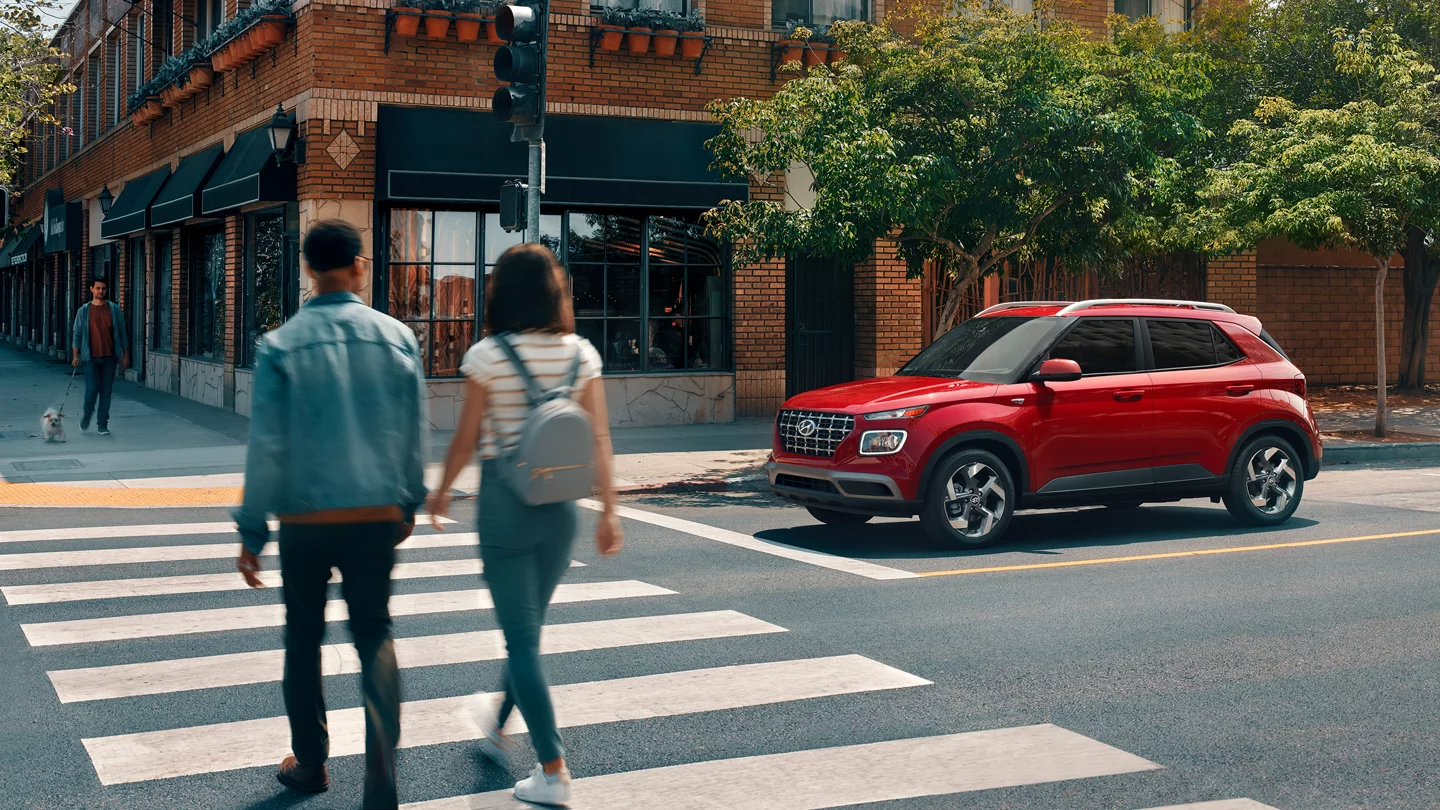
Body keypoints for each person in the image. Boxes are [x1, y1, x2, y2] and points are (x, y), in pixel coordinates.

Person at [232, 219, 427, 810]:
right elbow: (412, 431)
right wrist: (409, 501)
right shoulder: (397, 338)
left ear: (308, 270)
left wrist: (252, 530)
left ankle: (311, 764)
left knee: (302, 639)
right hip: (375, 512)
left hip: (305, 520)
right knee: (375, 634)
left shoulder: (281, 345)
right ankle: (381, 771)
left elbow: (267, 445)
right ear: (359, 266)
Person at [427, 243, 624, 806]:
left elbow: (466, 439)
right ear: (553, 292)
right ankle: (497, 728)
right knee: (526, 636)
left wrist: (440, 494)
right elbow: (600, 438)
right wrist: (610, 511)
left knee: (520, 640)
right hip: (562, 509)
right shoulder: (580, 354)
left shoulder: (487, 356)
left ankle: (554, 770)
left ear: (502, 293)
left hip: (505, 508)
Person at [70, 276, 129, 435]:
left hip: (110, 357)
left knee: (106, 391)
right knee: (91, 389)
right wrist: (75, 356)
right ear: (91, 289)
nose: (100, 291)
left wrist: (125, 355)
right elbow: (77, 334)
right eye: (97, 288)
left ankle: (102, 424)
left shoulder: (114, 309)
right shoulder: (84, 311)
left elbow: (122, 333)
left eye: (103, 288)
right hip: (91, 358)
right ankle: (87, 415)